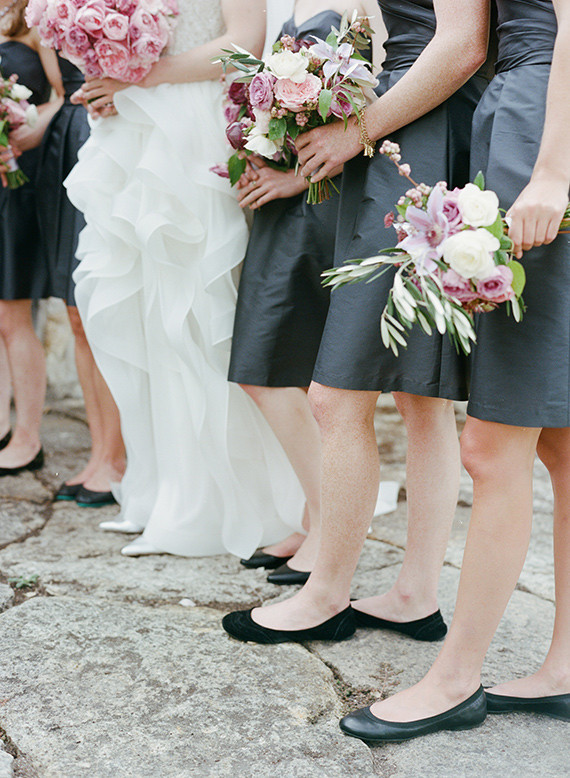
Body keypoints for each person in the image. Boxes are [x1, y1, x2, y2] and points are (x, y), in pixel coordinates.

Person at [222, 0, 492, 642]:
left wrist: (355, 131)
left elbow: (462, 44)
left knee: (337, 395)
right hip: (421, 119)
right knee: (417, 392)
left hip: (418, 126)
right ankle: (414, 593)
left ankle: (327, 594)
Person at [339, 0, 570, 743]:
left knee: (492, 443)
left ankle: (455, 678)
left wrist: (552, 174)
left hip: (543, 129)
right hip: (523, 116)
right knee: (559, 444)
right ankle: (564, 667)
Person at [65, 0, 305, 558]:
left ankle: (215, 500)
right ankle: (160, 491)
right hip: (135, 126)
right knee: (144, 311)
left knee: (194, 311)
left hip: (192, 131)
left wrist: (137, 78)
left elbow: (243, 44)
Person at [231, 0, 379, 586]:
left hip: (325, 199)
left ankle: (331, 530)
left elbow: (382, 104)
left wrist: (301, 174)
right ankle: (316, 514)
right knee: (272, 365)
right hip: (289, 201)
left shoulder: (368, 7)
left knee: (268, 367)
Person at [35, 56, 126, 508]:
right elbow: (57, 87)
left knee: (95, 307)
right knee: (74, 311)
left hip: (111, 129)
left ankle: (118, 458)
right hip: (70, 136)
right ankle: (100, 452)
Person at [0, 0, 63, 477]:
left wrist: (20, 131)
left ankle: (28, 437)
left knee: (13, 313)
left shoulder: (37, 23)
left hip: (18, 181)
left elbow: (61, 95)